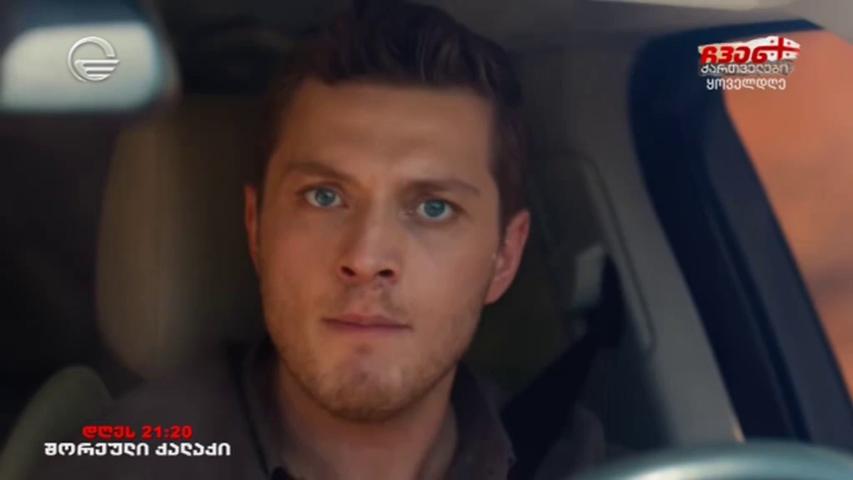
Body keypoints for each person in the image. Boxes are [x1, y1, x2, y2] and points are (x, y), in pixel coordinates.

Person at [34, 2, 603, 479]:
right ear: (256, 228)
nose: (365, 258)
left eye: (434, 208)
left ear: (505, 257)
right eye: (324, 197)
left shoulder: (577, 459)